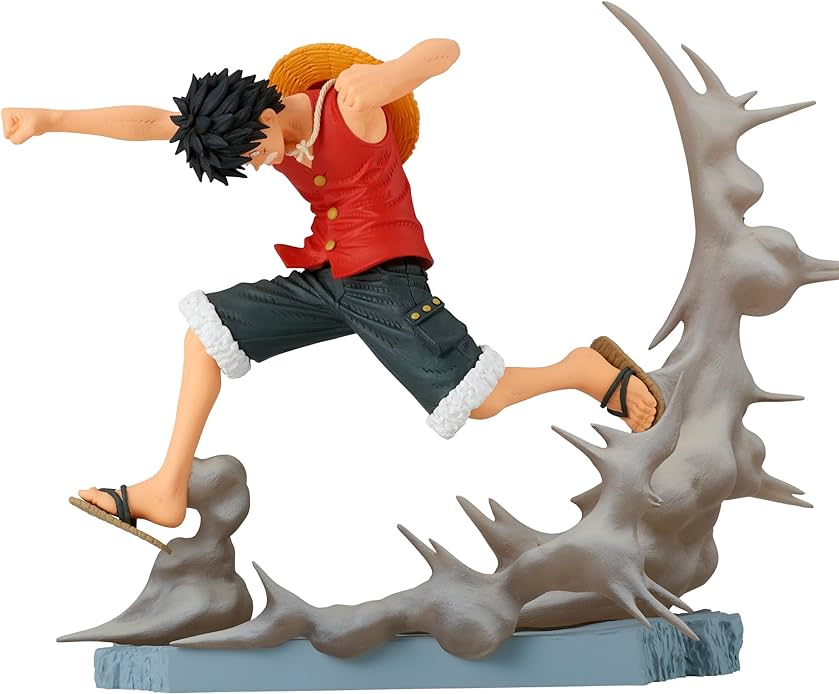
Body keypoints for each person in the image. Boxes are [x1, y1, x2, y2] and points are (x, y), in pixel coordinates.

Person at [2, 39, 662, 549]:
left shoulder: (350, 105)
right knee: (205, 335)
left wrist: (390, 73)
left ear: (263, 112)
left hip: (386, 278)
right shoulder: (247, 129)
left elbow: (444, 51)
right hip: (326, 275)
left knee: (479, 400)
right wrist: (51, 119)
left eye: (255, 152)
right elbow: (150, 122)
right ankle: (166, 489)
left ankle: (581, 370)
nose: (261, 164)